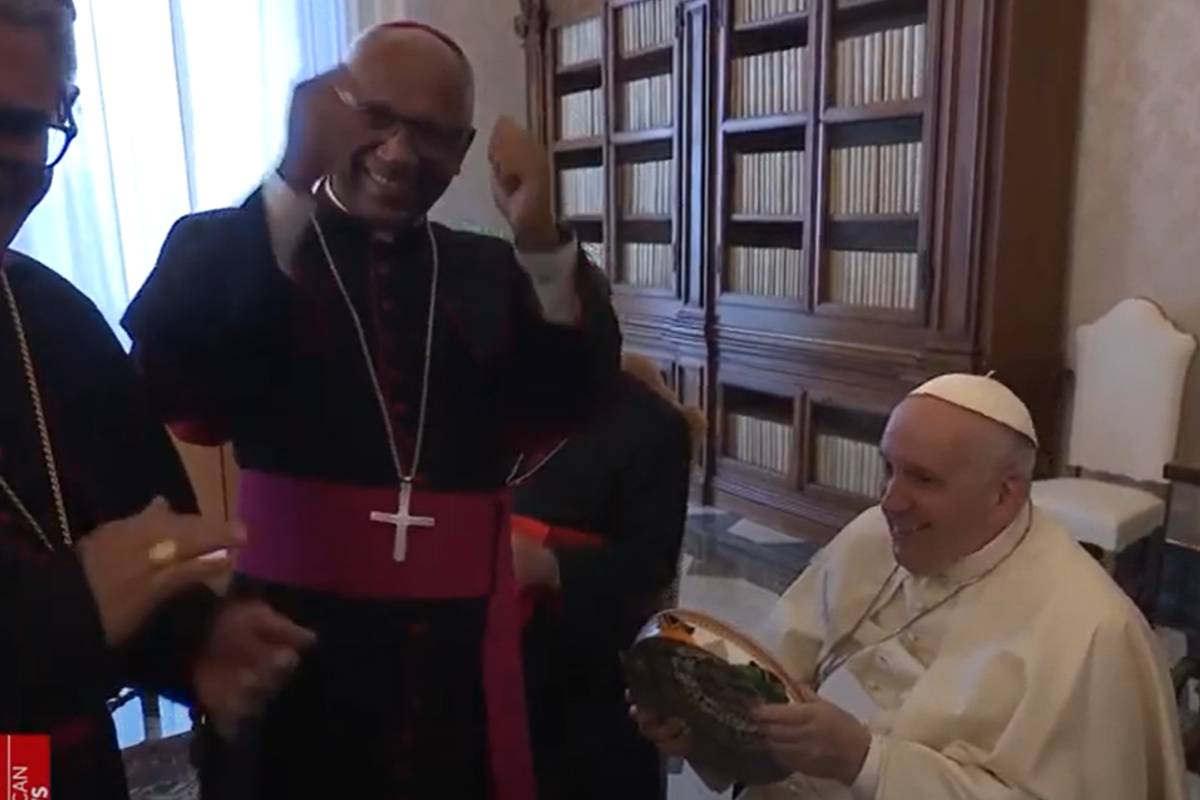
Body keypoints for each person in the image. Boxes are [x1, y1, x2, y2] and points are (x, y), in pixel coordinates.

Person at [120, 19, 621, 800]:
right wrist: (291, 175)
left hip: (458, 657)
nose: (397, 153)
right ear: (332, 114)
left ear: (462, 151)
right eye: (376, 119)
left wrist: (538, 235)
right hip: (290, 640)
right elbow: (178, 386)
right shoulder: (245, 247)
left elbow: (567, 400)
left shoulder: (492, 272)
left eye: (431, 135)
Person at [0, 3, 315, 799]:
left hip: (42, 767)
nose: (9, 158)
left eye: (28, 127)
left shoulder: (51, 319)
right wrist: (67, 611)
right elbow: (82, 597)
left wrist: (199, 639)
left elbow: (143, 543)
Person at [634, 373, 1188, 799]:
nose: (890, 502)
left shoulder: (1091, 629)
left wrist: (864, 760)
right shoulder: (873, 535)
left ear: (1004, 495)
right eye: (889, 469)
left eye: (923, 479)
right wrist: (705, 734)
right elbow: (771, 681)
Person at [511, 352, 703, 800]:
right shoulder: (474, 398)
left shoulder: (649, 425)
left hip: (587, 687)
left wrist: (547, 565)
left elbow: (649, 569)